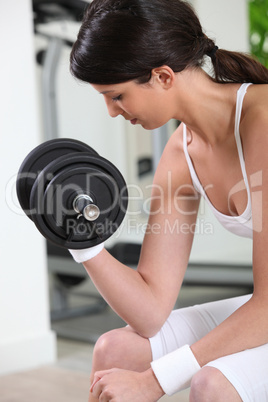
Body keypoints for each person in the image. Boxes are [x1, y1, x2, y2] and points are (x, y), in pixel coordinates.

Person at [69, 0, 268, 400]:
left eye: (117, 95)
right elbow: (150, 310)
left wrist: (154, 381)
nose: (111, 112)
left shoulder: (263, 121)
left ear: (162, 76)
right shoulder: (181, 153)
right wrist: (83, 244)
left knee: (212, 383)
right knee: (116, 350)